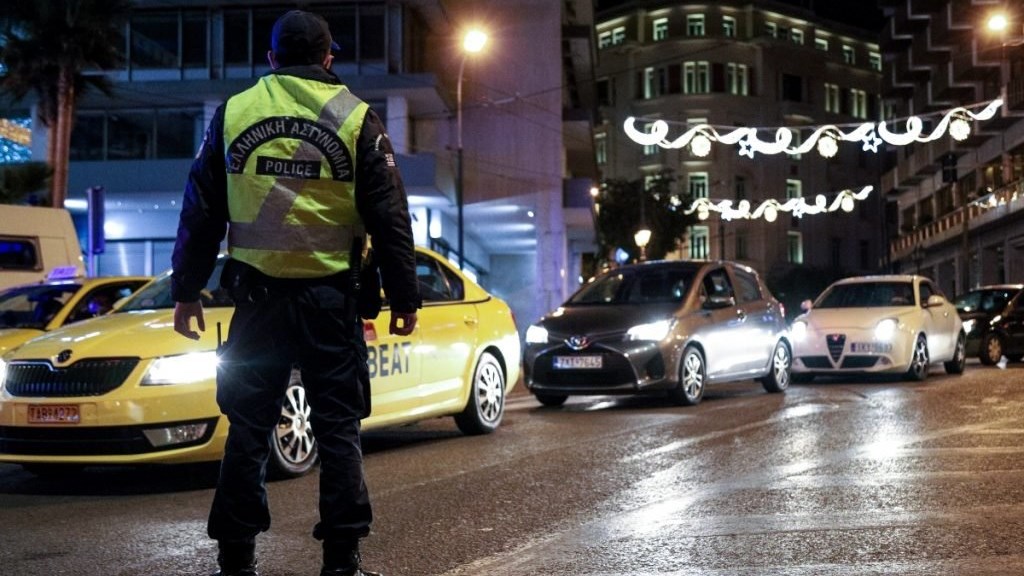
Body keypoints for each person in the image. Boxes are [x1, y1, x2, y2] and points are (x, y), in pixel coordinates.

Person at [170, 9, 420, 576]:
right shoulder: (356, 117)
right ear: (329, 58)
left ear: (272, 58)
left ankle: (235, 561)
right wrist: (405, 298)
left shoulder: (234, 113)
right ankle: (341, 561)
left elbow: (201, 207)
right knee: (337, 428)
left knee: (249, 430)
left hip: (256, 303)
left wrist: (186, 291)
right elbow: (390, 216)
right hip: (332, 301)